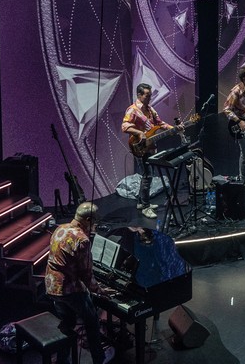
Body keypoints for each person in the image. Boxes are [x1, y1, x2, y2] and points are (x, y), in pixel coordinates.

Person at [44, 201, 116, 364]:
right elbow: (86, 274)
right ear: (88, 220)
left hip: (51, 286)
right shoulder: (82, 240)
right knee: (92, 322)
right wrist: (100, 290)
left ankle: (62, 359)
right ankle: (99, 358)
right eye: (95, 221)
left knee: (68, 322)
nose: (95, 224)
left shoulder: (60, 228)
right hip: (68, 290)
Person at [121, 83, 171, 220]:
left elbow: (160, 123)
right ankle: (145, 206)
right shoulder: (133, 110)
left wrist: (173, 128)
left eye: (150, 96)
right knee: (148, 176)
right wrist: (139, 133)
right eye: (147, 96)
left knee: (147, 175)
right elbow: (124, 126)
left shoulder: (150, 109)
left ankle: (140, 202)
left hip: (150, 146)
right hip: (139, 146)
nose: (149, 98)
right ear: (139, 95)